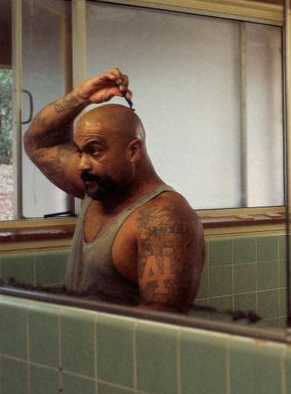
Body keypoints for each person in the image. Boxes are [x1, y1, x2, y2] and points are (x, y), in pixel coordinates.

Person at [23, 67, 205, 312]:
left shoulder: (163, 218)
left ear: (133, 151)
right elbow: (37, 142)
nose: (83, 164)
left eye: (95, 150)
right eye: (80, 152)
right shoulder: (98, 187)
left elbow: (162, 326)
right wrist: (81, 97)